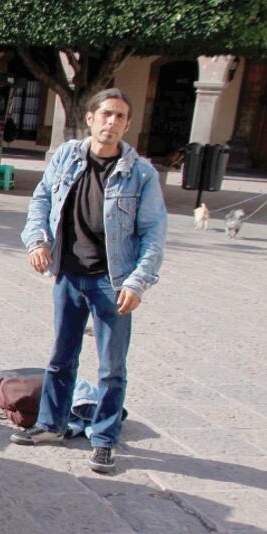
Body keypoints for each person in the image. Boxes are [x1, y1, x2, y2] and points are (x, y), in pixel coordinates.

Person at [12, 88, 167, 473]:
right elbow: (41, 200)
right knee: (61, 357)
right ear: (91, 119)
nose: (112, 122)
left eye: (120, 117)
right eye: (106, 114)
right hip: (68, 274)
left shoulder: (141, 174)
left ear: (127, 126)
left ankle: (104, 439)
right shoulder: (67, 156)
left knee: (111, 367)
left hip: (112, 282)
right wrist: (37, 240)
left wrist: (137, 282)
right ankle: (51, 424)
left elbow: (153, 232)